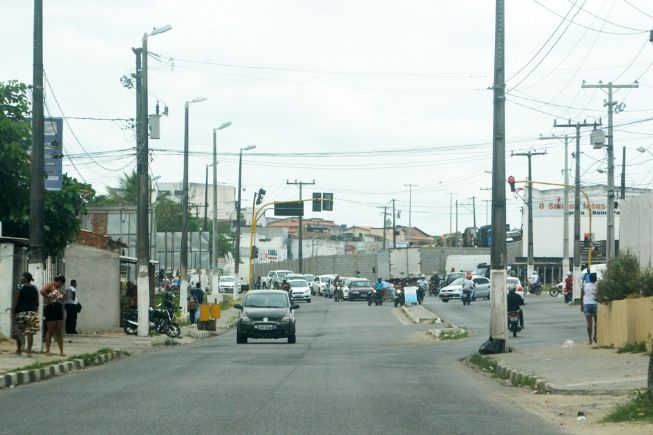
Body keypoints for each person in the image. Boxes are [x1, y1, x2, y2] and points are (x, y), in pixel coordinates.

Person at [11, 272, 40, 356]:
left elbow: (16, 300)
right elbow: (37, 301)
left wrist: (13, 312)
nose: (20, 278)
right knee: (30, 332)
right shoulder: (35, 288)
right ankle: (29, 352)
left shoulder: (20, 287)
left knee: (17, 331)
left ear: (26, 279)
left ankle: (19, 350)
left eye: (22, 277)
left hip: (21, 312)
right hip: (32, 312)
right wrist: (36, 311)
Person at [40, 274, 66, 357]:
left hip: (58, 308)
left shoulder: (59, 289)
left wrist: (62, 296)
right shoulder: (50, 285)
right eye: (61, 283)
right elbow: (42, 291)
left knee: (58, 330)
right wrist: (48, 298)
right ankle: (48, 350)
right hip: (51, 307)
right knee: (50, 330)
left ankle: (61, 351)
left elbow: (61, 300)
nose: (61, 285)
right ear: (58, 281)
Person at [580, 272, 598, 345]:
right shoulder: (597, 286)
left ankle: (590, 340)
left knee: (589, 323)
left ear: (589, 278)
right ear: (596, 279)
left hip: (587, 305)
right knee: (596, 322)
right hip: (595, 305)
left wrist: (581, 305)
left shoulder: (584, 286)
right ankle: (595, 336)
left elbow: (581, 296)